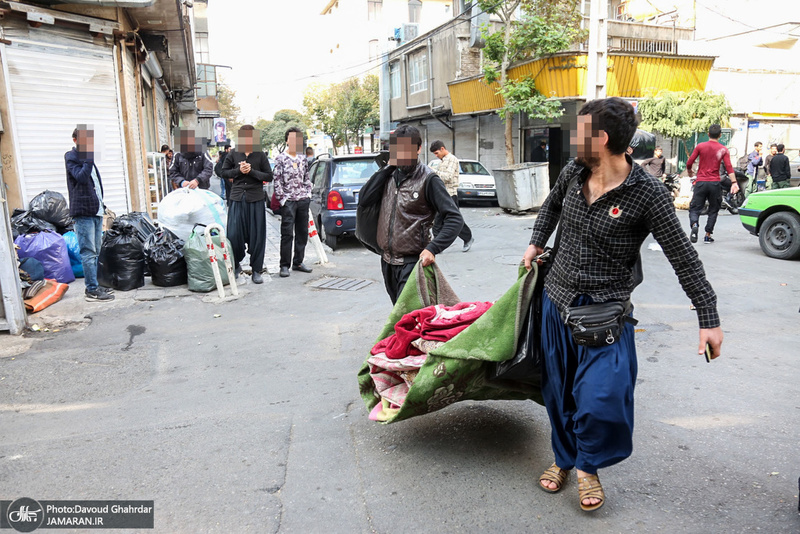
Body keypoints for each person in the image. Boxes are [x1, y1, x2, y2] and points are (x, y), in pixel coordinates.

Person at [522, 97, 723, 513]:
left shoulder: (646, 194)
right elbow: (551, 207)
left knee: (601, 400)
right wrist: (536, 242)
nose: (573, 137)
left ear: (603, 139)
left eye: (580, 131)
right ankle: (565, 459)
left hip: (606, 315)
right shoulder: (574, 172)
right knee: (559, 394)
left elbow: (683, 258)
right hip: (556, 304)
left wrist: (708, 317)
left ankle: (588, 465)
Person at [360, 125, 463, 304]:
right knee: (398, 314)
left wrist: (433, 248)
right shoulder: (389, 176)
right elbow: (364, 199)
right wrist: (386, 168)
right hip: (387, 262)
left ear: (418, 149)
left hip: (412, 264)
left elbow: (454, 218)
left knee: (406, 317)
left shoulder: (429, 179)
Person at [65, 126, 114, 302]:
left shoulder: (87, 159)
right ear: (75, 140)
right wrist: (88, 159)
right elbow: (81, 177)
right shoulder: (72, 157)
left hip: (95, 210)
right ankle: (91, 289)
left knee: (96, 250)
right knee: (88, 251)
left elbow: (94, 185)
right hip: (83, 212)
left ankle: (95, 284)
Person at [221, 125, 273, 284]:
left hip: (255, 199)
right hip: (237, 199)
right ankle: (236, 265)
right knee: (234, 234)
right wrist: (238, 171)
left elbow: (269, 176)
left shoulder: (260, 155)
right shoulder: (233, 154)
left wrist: (251, 172)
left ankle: (256, 270)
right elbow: (223, 172)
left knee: (257, 236)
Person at [685, 124, 738, 244]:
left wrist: (689, 171)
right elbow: (729, 167)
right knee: (714, 209)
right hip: (715, 183)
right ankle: (707, 235)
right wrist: (734, 182)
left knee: (695, 208)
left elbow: (689, 162)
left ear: (708, 134)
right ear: (720, 135)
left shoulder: (700, 146)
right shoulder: (723, 149)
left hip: (701, 182)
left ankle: (694, 224)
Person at [273, 127, 313, 278]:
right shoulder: (280, 159)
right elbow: (276, 180)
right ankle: (284, 265)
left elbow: (307, 178)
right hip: (288, 201)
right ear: (287, 140)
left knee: (302, 232)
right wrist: (282, 199)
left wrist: (308, 193)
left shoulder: (303, 158)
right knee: (287, 233)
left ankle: (298, 262)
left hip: (302, 199)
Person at [430, 140, 474, 252]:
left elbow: (448, 177)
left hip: (450, 195)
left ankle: (468, 238)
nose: (436, 156)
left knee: (454, 220)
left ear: (442, 149)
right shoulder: (443, 160)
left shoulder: (452, 160)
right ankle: (436, 246)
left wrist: (433, 171)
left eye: (436, 153)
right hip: (442, 194)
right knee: (437, 221)